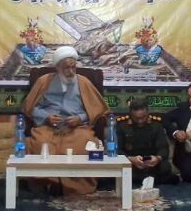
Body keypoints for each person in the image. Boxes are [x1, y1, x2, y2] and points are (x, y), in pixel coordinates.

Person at [21, 47, 108, 195]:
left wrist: (80, 119)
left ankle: (74, 186)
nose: (71, 71)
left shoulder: (83, 82)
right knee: (40, 143)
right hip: (48, 127)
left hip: (76, 129)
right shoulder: (44, 81)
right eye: (67, 68)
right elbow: (29, 108)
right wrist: (46, 117)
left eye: (73, 67)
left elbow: (98, 109)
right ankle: (47, 183)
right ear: (58, 67)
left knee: (83, 144)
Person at [118, 99, 177, 185]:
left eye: (143, 117)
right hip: (131, 163)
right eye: (137, 118)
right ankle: (147, 179)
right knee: (120, 170)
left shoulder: (156, 124)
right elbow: (117, 149)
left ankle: (140, 179)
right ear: (131, 115)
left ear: (148, 113)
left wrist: (157, 158)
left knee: (165, 167)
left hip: (151, 163)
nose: (140, 121)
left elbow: (163, 147)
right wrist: (130, 159)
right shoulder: (122, 125)